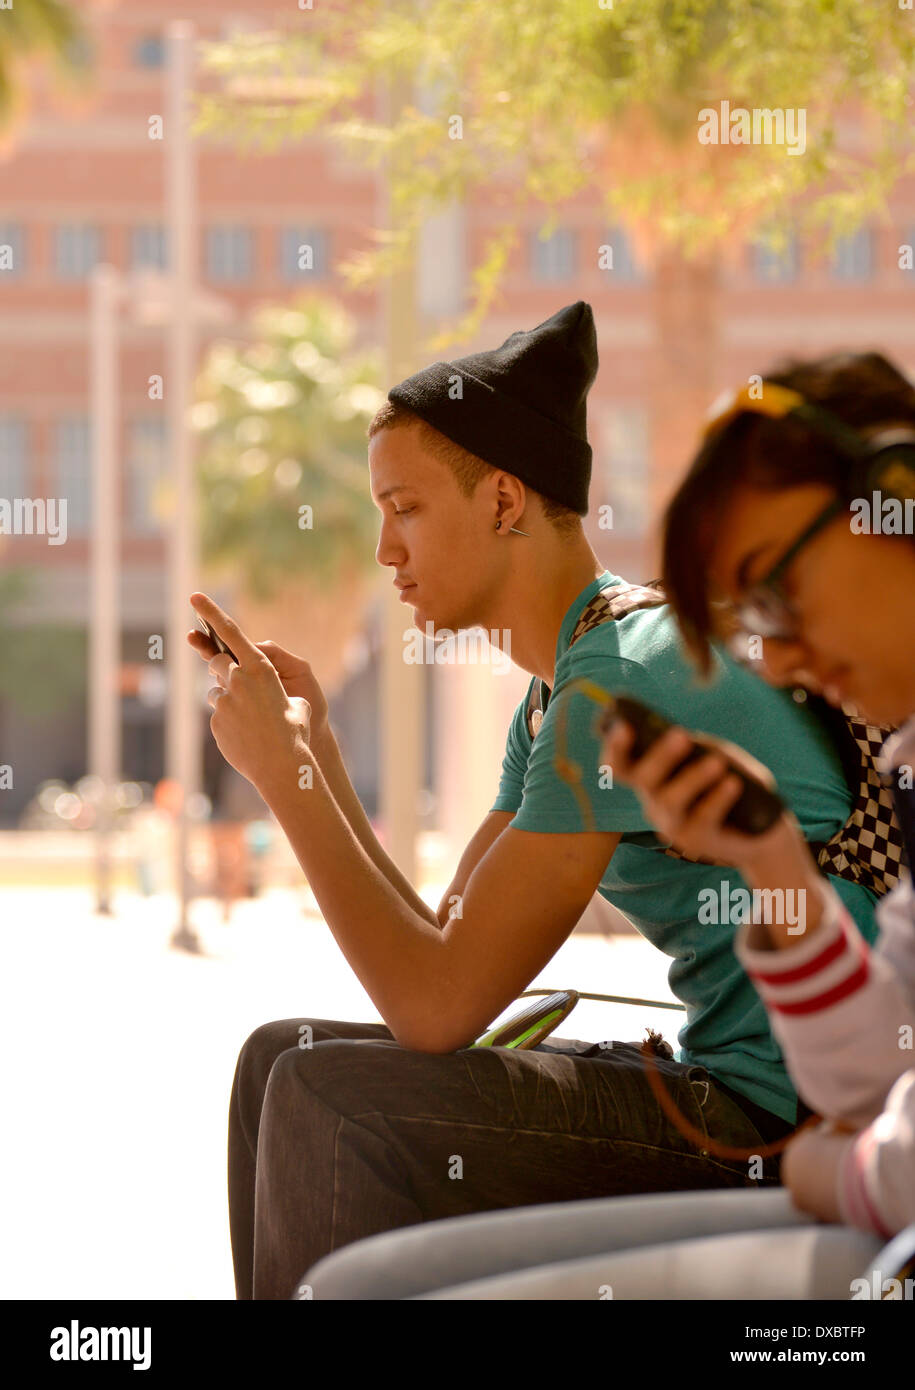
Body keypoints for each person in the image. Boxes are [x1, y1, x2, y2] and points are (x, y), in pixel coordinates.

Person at [189, 307, 879, 1300]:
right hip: (725, 1094)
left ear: (505, 500)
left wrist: (284, 783)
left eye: (407, 507)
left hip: (790, 1126)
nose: (386, 549)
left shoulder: (619, 678)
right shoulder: (566, 686)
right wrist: (318, 757)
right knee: (278, 1059)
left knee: (328, 1095)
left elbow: (436, 1008)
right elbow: (444, 947)